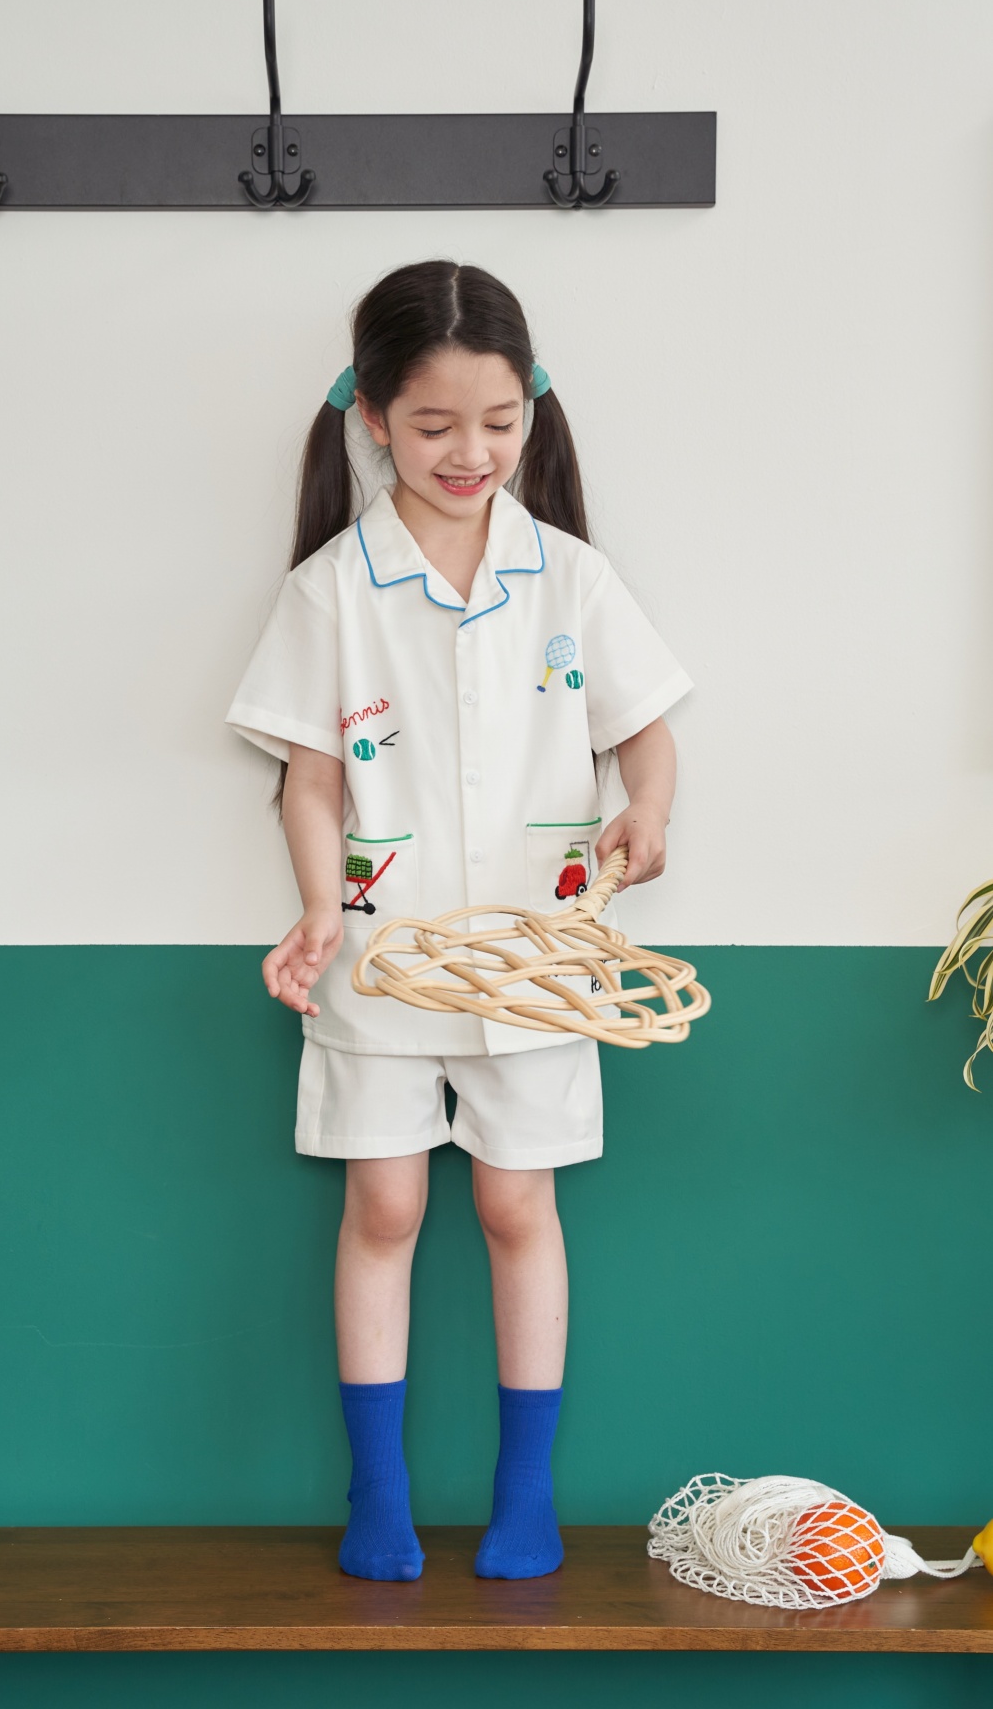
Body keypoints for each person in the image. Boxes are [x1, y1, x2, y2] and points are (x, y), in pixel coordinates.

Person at [226, 260, 690, 1582]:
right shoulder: (331, 586)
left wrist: (648, 811)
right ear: (372, 418)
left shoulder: (571, 577)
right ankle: (376, 1495)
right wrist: (319, 909)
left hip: (539, 960)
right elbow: (310, 778)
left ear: (531, 407)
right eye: (432, 425)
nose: (468, 451)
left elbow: (645, 733)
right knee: (382, 1207)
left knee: (513, 1204)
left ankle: (523, 1498)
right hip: (380, 957)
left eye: (496, 421)